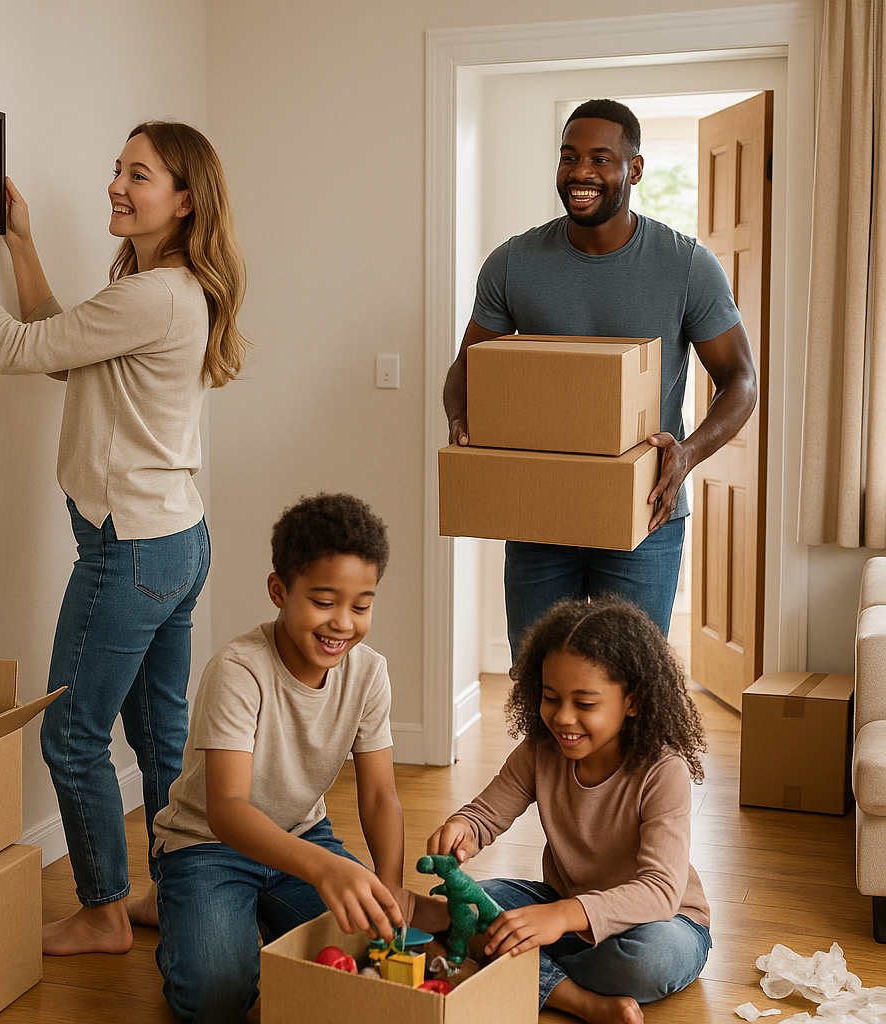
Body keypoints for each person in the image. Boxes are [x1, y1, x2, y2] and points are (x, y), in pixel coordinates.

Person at [0, 120, 248, 956]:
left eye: (140, 175)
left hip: (129, 550)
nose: (118, 186)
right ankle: (177, 888)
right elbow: (61, 351)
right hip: (177, 540)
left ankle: (102, 911)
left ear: (184, 200)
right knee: (158, 733)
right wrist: (21, 247)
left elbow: (13, 351)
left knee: (70, 733)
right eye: (117, 169)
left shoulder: (152, 294)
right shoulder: (172, 288)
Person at [443, 98, 758, 655]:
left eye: (599, 158)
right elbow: (469, 364)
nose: (581, 172)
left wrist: (686, 454)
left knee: (630, 683)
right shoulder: (514, 262)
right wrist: (463, 420)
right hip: (539, 509)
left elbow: (740, 380)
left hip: (643, 514)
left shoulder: (685, 265)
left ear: (633, 170)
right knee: (538, 678)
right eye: (568, 157)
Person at [151, 493, 406, 1024]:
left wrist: (391, 885)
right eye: (324, 600)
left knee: (362, 959)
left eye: (361, 605)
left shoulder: (369, 673)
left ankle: (214, 912)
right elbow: (226, 808)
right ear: (279, 591)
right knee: (216, 998)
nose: (343, 623)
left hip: (301, 835)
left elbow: (380, 794)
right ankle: (178, 904)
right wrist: (326, 869)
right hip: (208, 847)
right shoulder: (238, 671)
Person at [425, 596, 711, 1024]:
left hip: (660, 922)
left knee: (649, 960)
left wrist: (560, 917)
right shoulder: (541, 750)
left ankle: (500, 964)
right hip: (564, 905)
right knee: (463, 907)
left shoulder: (662, 770)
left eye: (585, 703)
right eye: (550, 697)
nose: (562, 717)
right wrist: (462, 828)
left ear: (631, 701)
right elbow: (485, 814)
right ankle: (578, 1000)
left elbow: (660, 890)